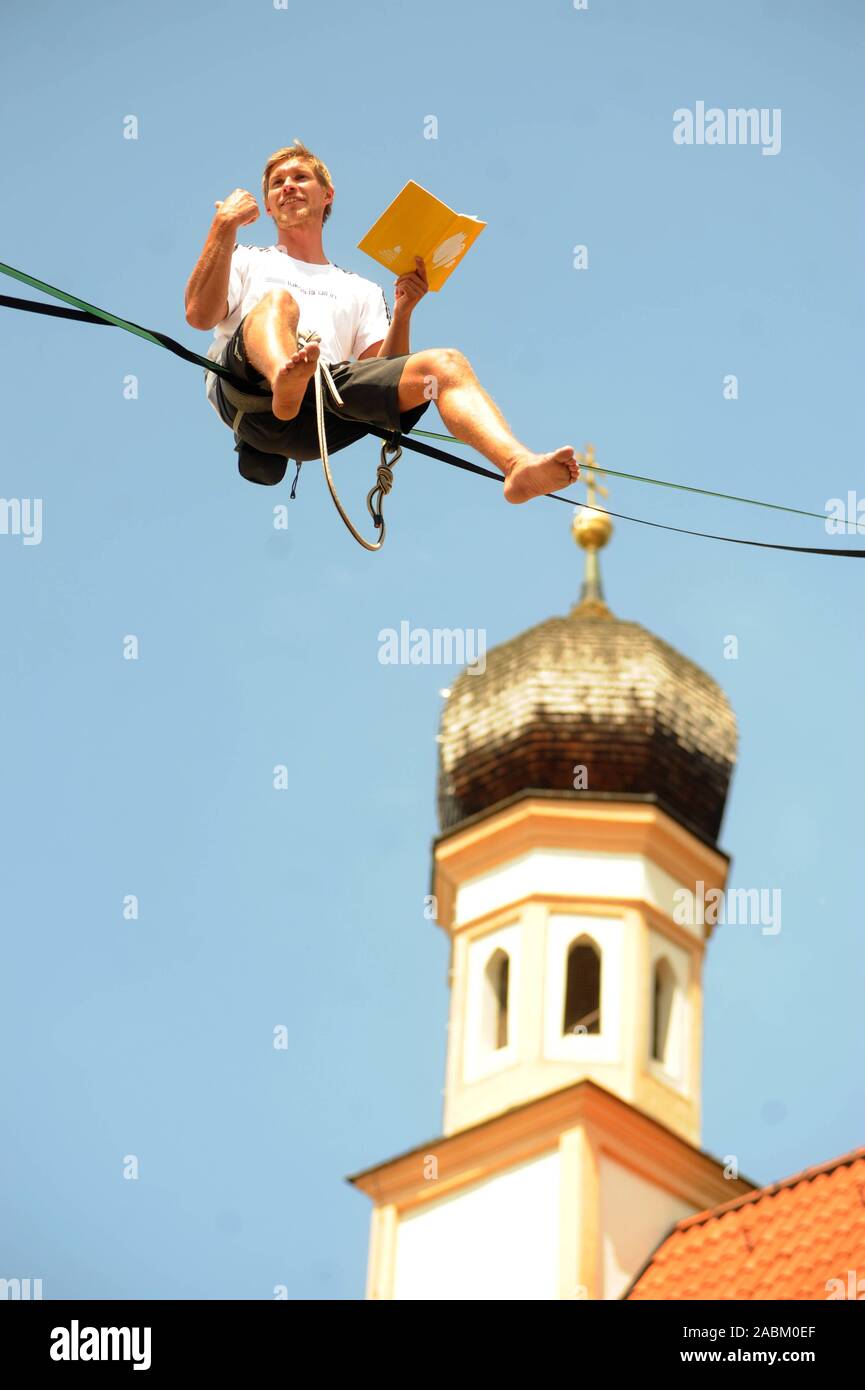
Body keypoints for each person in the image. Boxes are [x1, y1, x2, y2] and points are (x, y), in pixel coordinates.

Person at [185, 140, 580, 501]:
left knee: (446, 364)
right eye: (277, 183)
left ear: (327, 196)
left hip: (322, 411)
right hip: (252, 400)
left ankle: (517, 466)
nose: (287, 186)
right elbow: (199, 316)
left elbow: (382, 383)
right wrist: (224, 226)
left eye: (300, 177)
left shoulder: (360, 290)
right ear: (268, 207)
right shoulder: (247, 259)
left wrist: (404, 310)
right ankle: (284, 378)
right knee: (279, 303)